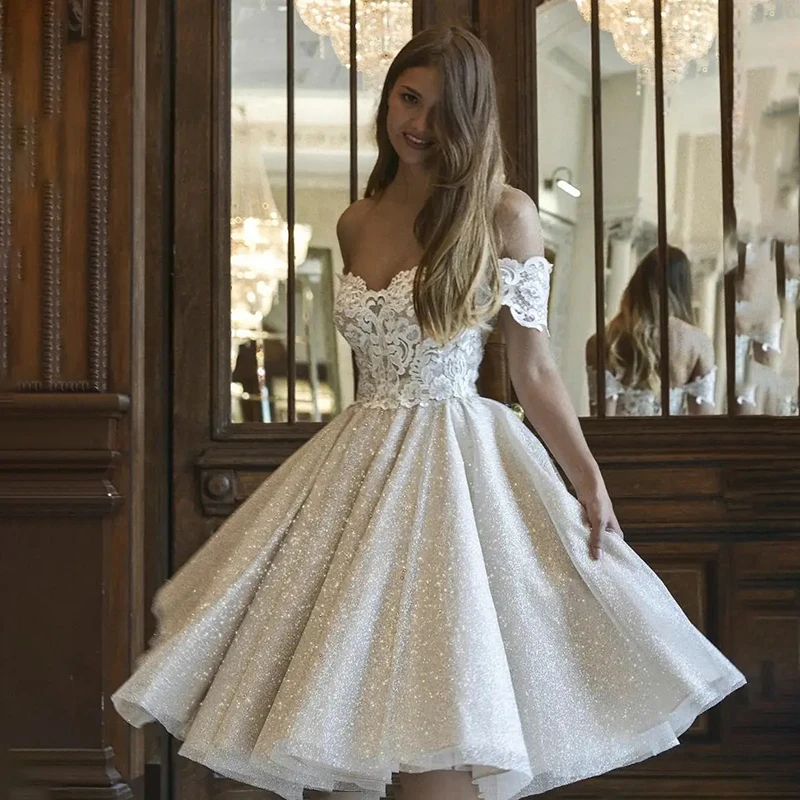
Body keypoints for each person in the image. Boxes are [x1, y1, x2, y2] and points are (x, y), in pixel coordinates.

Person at [112, 26, 745, 800]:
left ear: (472, 120)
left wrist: (589, 480)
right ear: (388, 98)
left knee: (441, 711)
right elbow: (365, 364)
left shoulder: (505, 214)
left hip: (456, 466)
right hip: (356, 464)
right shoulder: (354, 221)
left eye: (443, 110)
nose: (419, 123)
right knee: (343, 716)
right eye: (408, 99)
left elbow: (533, 367)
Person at [586, 246, 717, 416]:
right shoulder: (698, 342)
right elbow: (702, 425)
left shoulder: (604, 339)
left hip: (622, 442)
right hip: (674, 442)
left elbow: (602, 423)